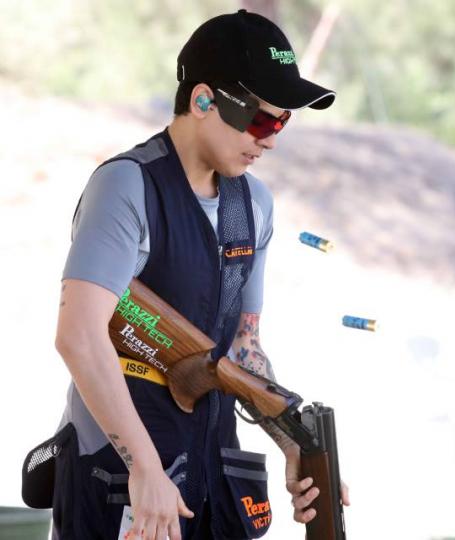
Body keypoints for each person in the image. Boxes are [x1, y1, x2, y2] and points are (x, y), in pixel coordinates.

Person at [50, 8, 348, 540]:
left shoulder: (254, 205)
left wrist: (293, 444)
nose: (271, 140)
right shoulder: (127, 187)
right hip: (121, 482)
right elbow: (79, 336)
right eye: (261, 121)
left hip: (214, 479)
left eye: (282, 122)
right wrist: (146, 469)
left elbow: (243, 348)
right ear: (204, 100)